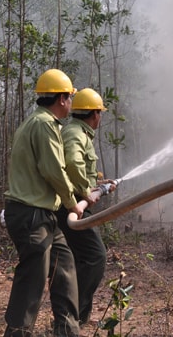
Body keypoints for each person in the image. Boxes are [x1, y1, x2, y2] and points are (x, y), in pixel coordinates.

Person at [3, 69, 92, 336]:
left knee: (64, 268)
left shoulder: (36, 121)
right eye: (69, 98)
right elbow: (53, 170)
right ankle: (17, 332)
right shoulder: (44, 124)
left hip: (43, 216)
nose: (71, 103)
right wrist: (74, 202)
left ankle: (67, 330)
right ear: (62, 99)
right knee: (32, 279)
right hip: (32, 216)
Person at [56, 88, 115, 325]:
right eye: (100, 112)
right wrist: (85, 193)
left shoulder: (79, 132)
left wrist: (99, 184)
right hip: (69, 208)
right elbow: (71, 163)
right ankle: (74, 316)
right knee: (94, 256)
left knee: (80, 258)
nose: (100, 117)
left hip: (74, 205)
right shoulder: (75, 134)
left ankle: (74, 316)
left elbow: (76, 169)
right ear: (94, 114)